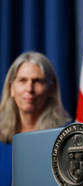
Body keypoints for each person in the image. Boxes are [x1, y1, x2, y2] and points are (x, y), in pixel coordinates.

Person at [0, 51, 71, 185]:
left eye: (37, 81)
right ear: (11, 88)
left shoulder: (67, 136)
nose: (29, 88)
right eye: (22, 80)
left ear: (51, 89)